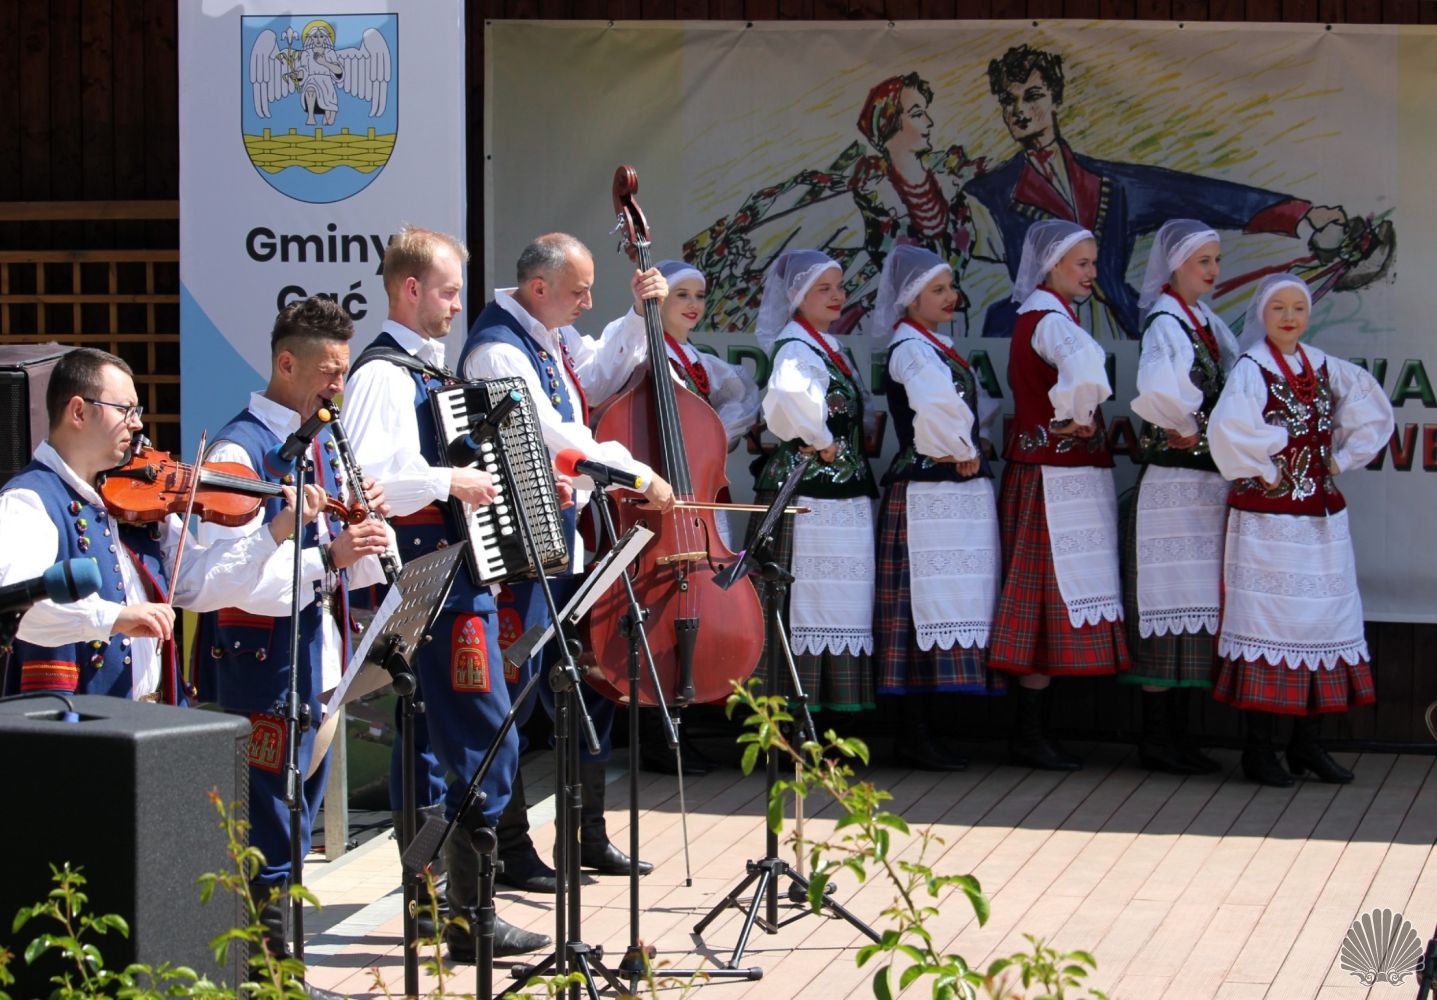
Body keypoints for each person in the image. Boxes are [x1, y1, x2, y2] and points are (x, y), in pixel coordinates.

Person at [341, 225, 551, 961]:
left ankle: (434, 905)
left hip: (453, 579)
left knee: (432, 743)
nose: (459, 306)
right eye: (449, 291)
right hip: (433, 585)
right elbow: (364, 481)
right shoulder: (382, 375)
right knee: (483, 736)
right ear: (410, 289)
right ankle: (470, 915)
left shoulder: (425, 373)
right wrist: (448, 481)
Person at [460, 232, 674, 895]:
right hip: (520, 550)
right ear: (539, 288)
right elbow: (554, 435)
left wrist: (638, 315)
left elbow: (599, 376)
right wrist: (636, 472)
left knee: (582, 683)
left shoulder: (546, 335)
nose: (586, 301)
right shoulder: (498, 350)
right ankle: (509, 849)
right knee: (517, 695)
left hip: (559, 537)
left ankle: (585, 834)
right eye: (578, 291)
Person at [192, 297, 391, 992]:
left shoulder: (320, 438)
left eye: (343, 371)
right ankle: (265, 976)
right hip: (259, 663)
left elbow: (325, 560)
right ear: (286, 363)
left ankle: (281, 970)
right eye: (329, 372)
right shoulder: (238, 451)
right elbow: (222, 582)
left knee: (295, 816)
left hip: (311, 655)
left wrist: (362, 536)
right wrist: (327, 556)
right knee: (267, 824)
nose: (340, 386)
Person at [962, 44, 1368, 339]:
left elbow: (1198, 196)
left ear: (1056, 99)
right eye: (1009, 101)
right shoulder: (986, 193)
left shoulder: (1110, 183)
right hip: (1035, 335)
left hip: (1115, 328)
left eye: (1033, 96)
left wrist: (1301, 215)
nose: (1020, 110)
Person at [0, 347, 299, 703]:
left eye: (136, 411)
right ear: (78, 411)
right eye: (124, 410)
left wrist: (274, 532)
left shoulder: (133, 498)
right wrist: (116, 617)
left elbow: (194, 580)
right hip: (74, 723)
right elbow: (19, 607)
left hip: (151, 718)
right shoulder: (29, 500)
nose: (137, 424)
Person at [1208, 274, 1392, 786]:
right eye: (1278, 308)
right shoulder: (1252, 368)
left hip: (1320, 518)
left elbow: (1372, 407)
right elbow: (1228, 429)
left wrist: (1342, 458)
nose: (1289, 317)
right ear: (1262, 315)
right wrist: (1265, 467)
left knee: (1322, 622)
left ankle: (1307, 745)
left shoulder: (1322, 364)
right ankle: (1259, 750)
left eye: (1298, 308)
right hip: (1267, 521)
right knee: (1268, 623)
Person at [986, 220, 1129, 770]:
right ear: (1051, 266)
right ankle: (1029, 734)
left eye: (1093, 263)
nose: (1091, 273)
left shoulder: (1049, 316)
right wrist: (1076, 413)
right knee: (1045, 604)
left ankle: (1037, 731)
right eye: (1081, 264)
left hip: (1054, 474)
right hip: (1051, 478)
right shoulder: (1048, 318)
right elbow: (1086, 368)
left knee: (1053, 603)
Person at [871, 245, 1002, 771]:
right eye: (938, 290)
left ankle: (931, 730)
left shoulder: (936, 345)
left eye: (951, 288)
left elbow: (970, 405)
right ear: (910, 298)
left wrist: (974, 440)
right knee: (918, 608)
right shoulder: (910, 348)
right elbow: (933, 403)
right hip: (928, 491)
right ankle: (913, 733)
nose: (951, 297)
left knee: (948, 601)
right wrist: (961, 447)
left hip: (952, 491)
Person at [1123, 221, 1240, 775]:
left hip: (1203, 485)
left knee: (1195, 611)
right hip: (1172, 486)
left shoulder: (1206, 322)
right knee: (1165, 604)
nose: (1213, 270)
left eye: (1216, 260)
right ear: (1175, 266)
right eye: (1203, 261)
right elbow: (1156, 388)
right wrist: (1185, 425)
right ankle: (1156, 738)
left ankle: (1180, 735)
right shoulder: (1166, 322)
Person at [637, 258, 760, 775]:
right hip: (665, 498)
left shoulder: (697, 360)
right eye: (680, 295)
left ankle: (686, 717)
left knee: (701, 599)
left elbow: (743, 397)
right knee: (659, 604)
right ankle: (656, 728)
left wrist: (713, 435)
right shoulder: (646, 355)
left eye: (699, 296)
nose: (692, 305)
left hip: (700, 496)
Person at [751, 249, 879, 715]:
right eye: (823, 288)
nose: (836, 295)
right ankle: (790, 718)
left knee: (835, 597)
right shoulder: (796, 346)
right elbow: (787, 393)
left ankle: (820, 713)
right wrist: (821, 439)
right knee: (800, 596)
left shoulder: (825, 346)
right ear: (797, 296)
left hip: (835, 492)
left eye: (839, 287)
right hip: (806, 491)